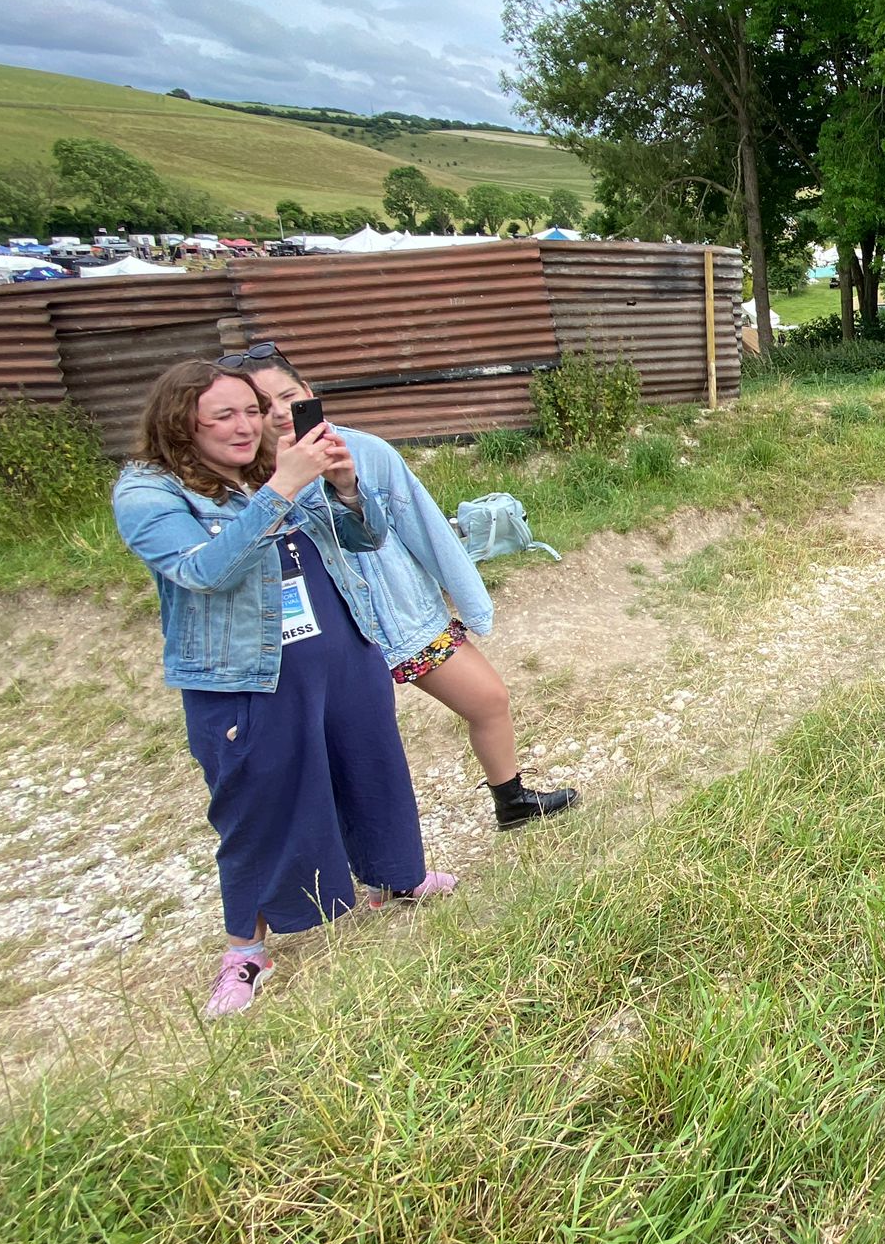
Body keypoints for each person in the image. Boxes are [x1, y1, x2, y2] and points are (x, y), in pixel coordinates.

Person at [114, 362, 455, 1019]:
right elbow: (206, 574)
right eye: (225, 416)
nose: (248, 425)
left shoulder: (277, 460)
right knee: (258, 801)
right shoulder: (149, 492)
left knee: (371, 769)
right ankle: (246, 951)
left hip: (341, 648)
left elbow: (366, 537)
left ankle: (397, 877)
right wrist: (281, 488)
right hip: (249, 674)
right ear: (180, 421)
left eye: (253, 410)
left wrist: (347, 486)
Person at [227, 345, 576, 831]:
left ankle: (511, 800)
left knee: (489, 699)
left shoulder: (364, 451)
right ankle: (354, 857)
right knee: (352, 752)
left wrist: (471, 603)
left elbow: (423, 525)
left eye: (288, 396)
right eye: (261, 407)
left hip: (401, 619)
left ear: (308, 393)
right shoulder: (236, 478)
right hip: (323, 641)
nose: (280, 413)